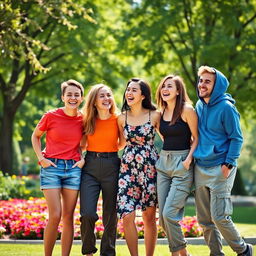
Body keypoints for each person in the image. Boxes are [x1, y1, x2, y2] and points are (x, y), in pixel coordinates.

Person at [193, 66, 253, 256]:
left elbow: (237, 138)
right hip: (200, 166)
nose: (202, 84)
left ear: (217, 85)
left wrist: (228, 163)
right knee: (204, 220)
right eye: (201, 80)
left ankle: (243, 250)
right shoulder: (199, 105)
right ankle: (216, 253)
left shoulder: (227, 108)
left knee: (220, 217)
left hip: (221, 166)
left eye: (207, 81)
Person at [31, 79, 85, 256]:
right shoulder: (51, 116)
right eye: (69, 94)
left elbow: (89, 141)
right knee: (55, 215)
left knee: (68, 217)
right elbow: (35, 136)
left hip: (73, 169)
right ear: (63, 97)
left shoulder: (84, 119)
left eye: (76, 95)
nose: (73, 97)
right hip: (51, 167)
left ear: (82, 98)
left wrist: (83, 158)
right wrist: (41, 158)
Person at [155, 74, 198, 256]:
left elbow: (197, 138)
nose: (165, 89)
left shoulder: (187, 110)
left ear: (178, 90)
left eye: (170, 86)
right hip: (163, 164)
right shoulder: (159, 113)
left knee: (168, 214)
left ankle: (178, 253)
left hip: (183, 164)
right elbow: (163, 136)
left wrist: (188, 160)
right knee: (163, 220)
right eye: (163, 86)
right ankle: (183, 253)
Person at [80, 84, 124, 256]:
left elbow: (122, 142)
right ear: (94, 102)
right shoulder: (86, 120)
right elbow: (81, 145)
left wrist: (110, 150)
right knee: (87, 213)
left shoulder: (118, 118)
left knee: (110, 215)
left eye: (108, 95)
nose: (107, 99)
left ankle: (108, 253)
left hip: (112, 164)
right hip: (90, 165)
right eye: (102, 96)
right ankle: (88, 250)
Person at [117, 78, 159, 256]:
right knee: (127, 215)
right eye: (128, 90)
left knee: (149, 217)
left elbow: (169, 137)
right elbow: (120, 143)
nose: (129, 93)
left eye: (134, 90)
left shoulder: (154, 115)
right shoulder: (121, 118)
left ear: (143, 95)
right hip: (127, 169)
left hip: (149, 168)